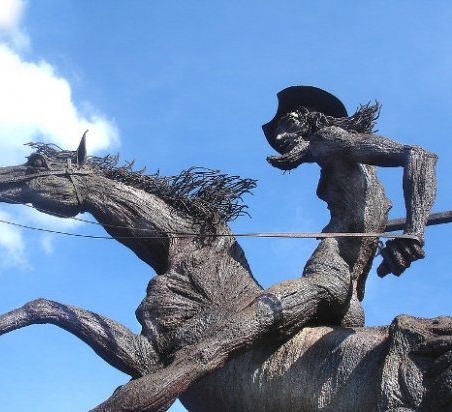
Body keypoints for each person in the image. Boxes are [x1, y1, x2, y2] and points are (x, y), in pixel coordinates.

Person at [94, 86, 439, 411]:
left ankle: (179, 372)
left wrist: (414, 232)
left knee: (257, 316)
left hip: (332, 274)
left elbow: (420, 156)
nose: (279, 139)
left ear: (306, 118)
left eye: (285, 127)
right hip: (353, 299)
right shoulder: (361, 172)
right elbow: (369, 215)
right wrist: (405, 230)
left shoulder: (327, 139)